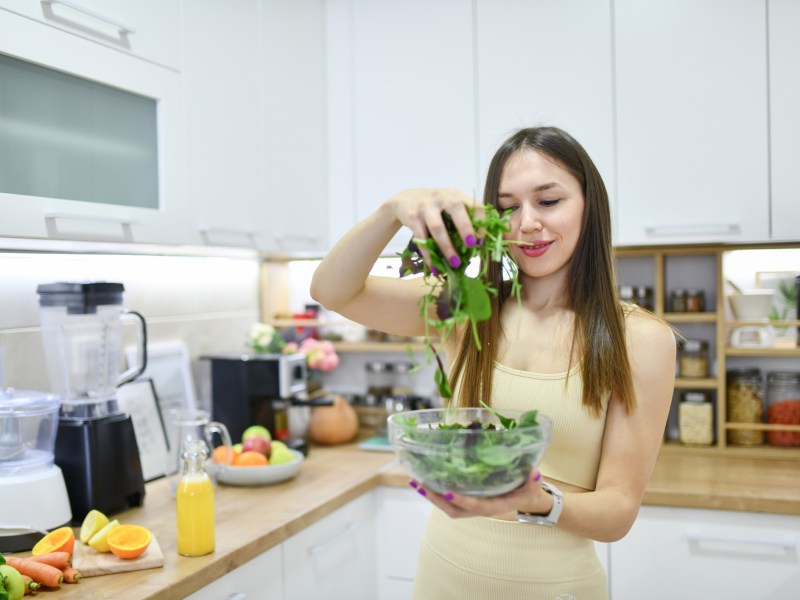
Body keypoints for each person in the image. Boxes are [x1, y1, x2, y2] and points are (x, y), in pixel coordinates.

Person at [310, 126, 676, 600]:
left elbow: (618, 512)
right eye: (507, 208)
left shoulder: (640, 340)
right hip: (443, 577)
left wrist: (536, 501)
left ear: (590, 206)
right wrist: (391, 210)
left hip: (559, 588)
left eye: (548, 201)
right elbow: (332, 290)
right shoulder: (464, 308)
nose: (526, 223)